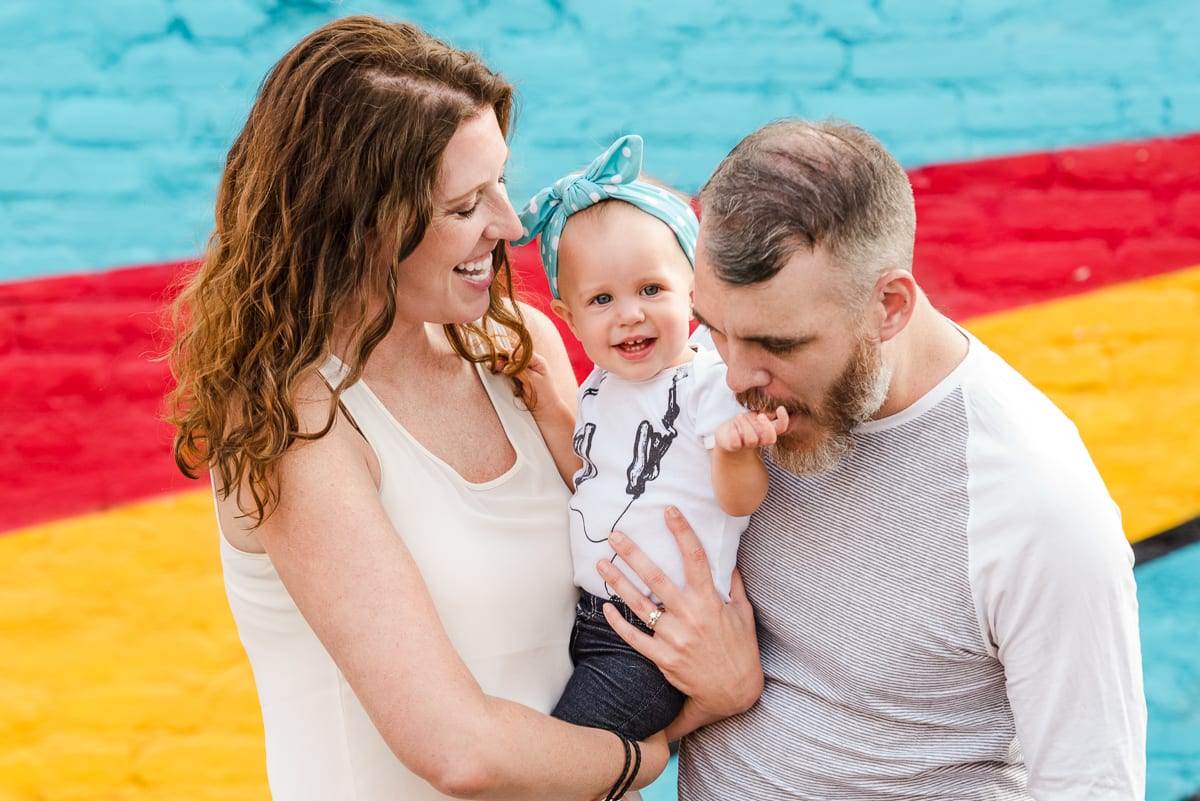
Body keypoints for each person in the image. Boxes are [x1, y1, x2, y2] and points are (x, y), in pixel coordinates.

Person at [166, 16, 754, 801]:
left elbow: (642, 533)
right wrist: (665, 742)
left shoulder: (518, 347)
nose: (509, 226)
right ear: (360, 222)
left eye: (500, 184)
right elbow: (458, 748)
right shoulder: (293, 421)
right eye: (465, 205)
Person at [594, 119, 1147, 800]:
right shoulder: (711, 387)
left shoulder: (1036, 502)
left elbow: (1090, 786)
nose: (734, 375)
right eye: (713, 328)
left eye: (780, 345)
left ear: (889, 305)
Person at [511, 134, 787, 742]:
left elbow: (739, 501)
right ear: (568, 317)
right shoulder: (601, 385)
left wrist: (736, 451)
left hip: (653, 637)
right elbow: (591, 476)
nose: (629, 313)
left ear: (694, 290)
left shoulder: (708, 383)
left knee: (568, 755)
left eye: (651, 289)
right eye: (601, 299)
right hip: (590, 617)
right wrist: (546, 402)